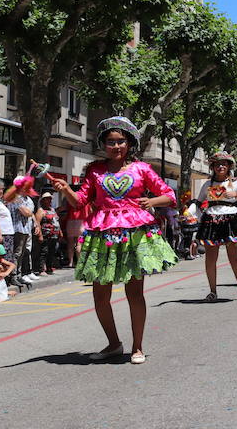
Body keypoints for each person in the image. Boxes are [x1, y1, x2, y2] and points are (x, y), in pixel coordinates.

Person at [51, 116, 178, 364]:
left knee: (134, 293)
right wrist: (66, 189)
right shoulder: (95, 170)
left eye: (121, 141)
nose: (116, 146)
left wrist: (151, 201)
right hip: (103, 235)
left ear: (129, 143)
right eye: (111, 142)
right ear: (103, 144)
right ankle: (113, 343)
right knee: (100, 296)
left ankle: (137, 347)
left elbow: (169, 195)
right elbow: (80, 201)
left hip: (134, 235)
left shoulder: (142, 169)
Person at [188, 151, 237, 302]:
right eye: (217, 164)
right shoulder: (207, 184)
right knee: (210, 259)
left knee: (234, 257)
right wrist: (189, 213)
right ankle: (213, 291)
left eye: (224, 164)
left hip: (232, 221)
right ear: (213, 167)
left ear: (229, 166)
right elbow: (198, 202)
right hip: (211, 221)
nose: (220, 166)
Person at [3, 177, 36, 286]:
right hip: (17, 229)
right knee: (16, 254)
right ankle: (14, 275)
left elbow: (29, 212)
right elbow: (26, 212)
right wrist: (30, 212)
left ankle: (19, 274)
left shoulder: (24, 198)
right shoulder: (16, 197)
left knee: (21, 253)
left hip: (24, 229)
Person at [0, 179, 17, 279]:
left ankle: (8, 278)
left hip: (8, 232)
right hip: (3, 233)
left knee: (9, 255)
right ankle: (4, 278)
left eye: (2, 189)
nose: (1, 191)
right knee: (4, 256)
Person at [35, 192, 62, 275]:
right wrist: (39, 235)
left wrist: (60, 232)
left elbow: (56, 221)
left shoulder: (52, 209)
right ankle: (41, 269)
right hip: (45, 235)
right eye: (47, 199)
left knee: (52, 251)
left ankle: (49, 268)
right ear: (43, 200)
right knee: (44, 251)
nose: (49, 200)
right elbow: (37, 223)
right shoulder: (41, 210)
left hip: (54, 235)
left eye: (50, 199)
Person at [63, 187, 90, 268]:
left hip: (70, 221)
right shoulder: (85, 200)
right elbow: (89, 212)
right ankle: (79, 262)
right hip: (81, 222)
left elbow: (65, 209)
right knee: (79, 243)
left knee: (70, 243)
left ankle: (70, 262)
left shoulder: (69, 199)